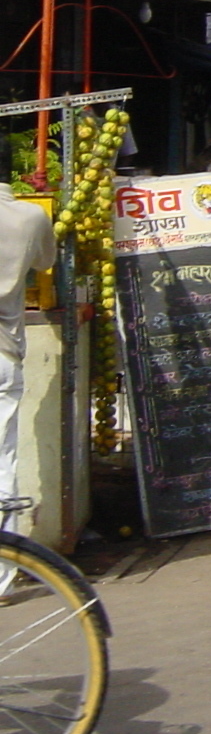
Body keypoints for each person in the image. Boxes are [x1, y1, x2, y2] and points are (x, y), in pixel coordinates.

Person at [0, 183, 56, 501]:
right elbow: (44, 261)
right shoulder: (32, 216)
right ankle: (8, 546)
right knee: (3, 463)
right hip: (4, 350)